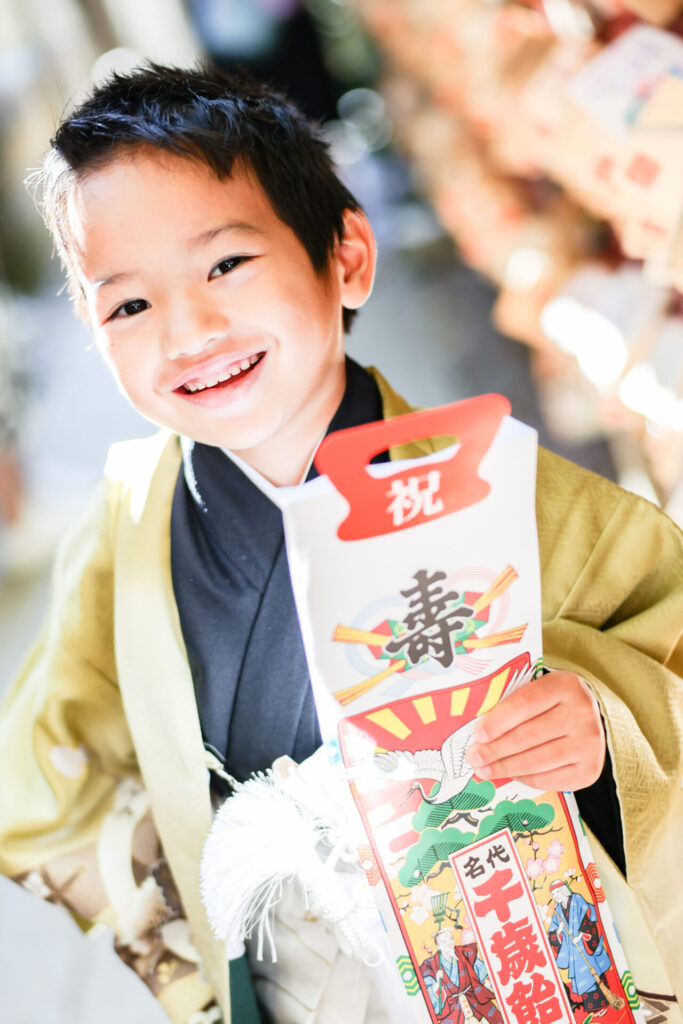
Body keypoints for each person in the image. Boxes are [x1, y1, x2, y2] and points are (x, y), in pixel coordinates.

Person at [0, 64, 680, 1024]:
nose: (188, 331)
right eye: (128, 306)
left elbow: (667, 645)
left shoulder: (512, 497)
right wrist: (198, 940)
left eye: (224, 265)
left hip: (516, 946)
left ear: (346, 256)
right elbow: (43, 785)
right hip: (301, 992)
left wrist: (602, 725)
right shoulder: (125, 530)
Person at [547, 880, 613, 1015]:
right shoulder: (558, 910)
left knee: (595, 973)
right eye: (553, 894)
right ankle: (595, 1008)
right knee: (583, 979)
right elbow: (552, 933)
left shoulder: (577, 900)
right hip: (574, 952)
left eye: (557, 892)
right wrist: (559, 931)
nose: (556, 896)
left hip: (585, 945)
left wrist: (582, 934)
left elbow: (589, 917)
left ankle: (606, 1003)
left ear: (564, 890)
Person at [420, 927, 500, 1024]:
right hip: (452, 1010)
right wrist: (437, 983)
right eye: (444, 941)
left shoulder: (464, 952)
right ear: (438, 946)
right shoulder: (430, 965)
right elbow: (428, 991)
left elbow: (480, 970)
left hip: (473, 999)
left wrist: (488, 983)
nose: (449, 943)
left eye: (451, 939)